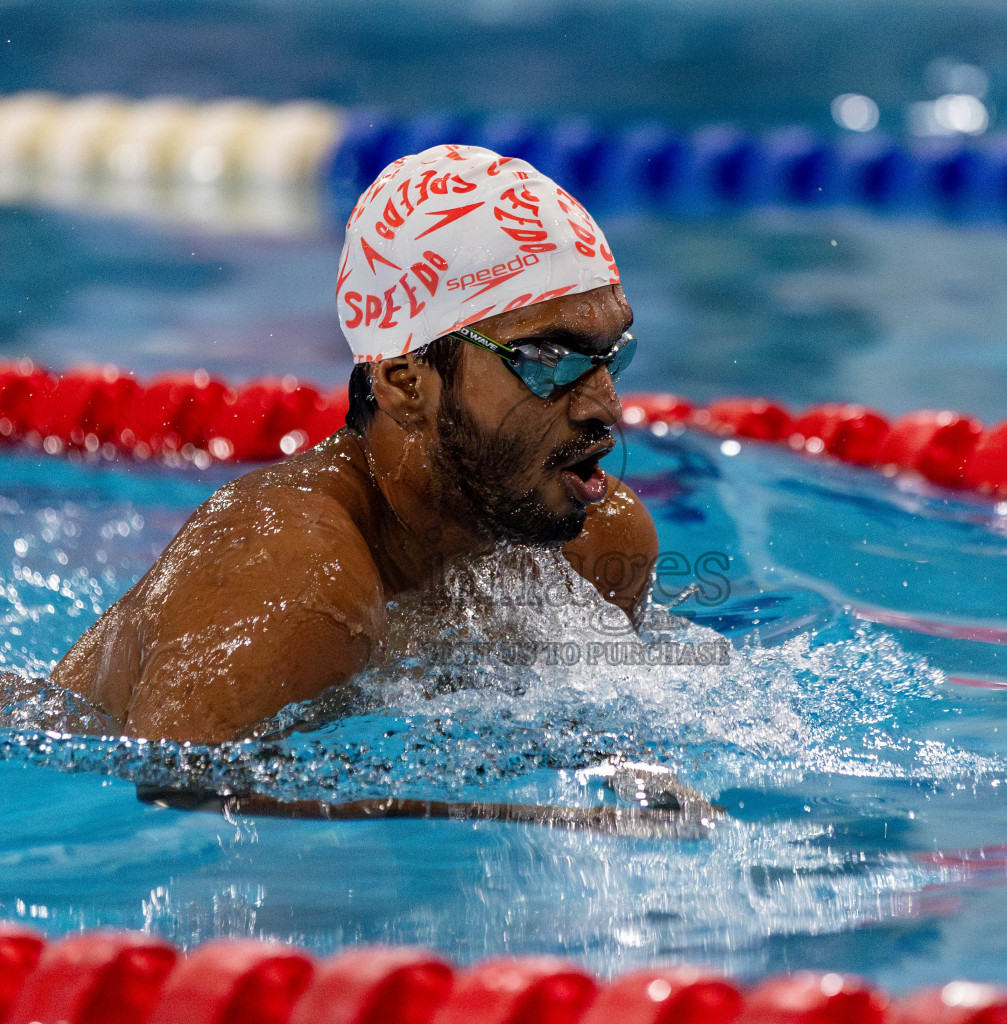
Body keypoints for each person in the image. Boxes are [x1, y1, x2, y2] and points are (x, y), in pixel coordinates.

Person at [48, 144, 660, 746]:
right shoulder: (297, 580)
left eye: (611, 355)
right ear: (404, 384)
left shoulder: (593, 545)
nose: (605, 404)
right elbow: (170, 807)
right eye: (547, 360)